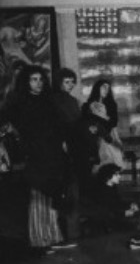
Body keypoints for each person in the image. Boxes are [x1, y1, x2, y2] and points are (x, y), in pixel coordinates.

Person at [0, 66, 71, 252]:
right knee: (38, 196)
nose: (38, 83)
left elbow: (58, 126)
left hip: (52, 153)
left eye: (41, 79)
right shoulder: (18, 103)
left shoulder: (49, 101)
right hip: (33, 155)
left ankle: (54, 236)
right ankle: (40, 239)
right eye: (34, 79)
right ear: (26, 82)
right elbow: (11, 126)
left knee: (52, 195)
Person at [51, 68, 84, 242]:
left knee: (72, 191)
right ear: (59, 82)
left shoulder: (72, 101)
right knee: (64, 191)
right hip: (61, 148)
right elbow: (57, 125)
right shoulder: (55, 101)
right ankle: (64, 233)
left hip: (74, 147)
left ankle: (73, 231)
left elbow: (77, 124)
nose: (70, 85)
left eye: (72, 82)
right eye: (66, 82)